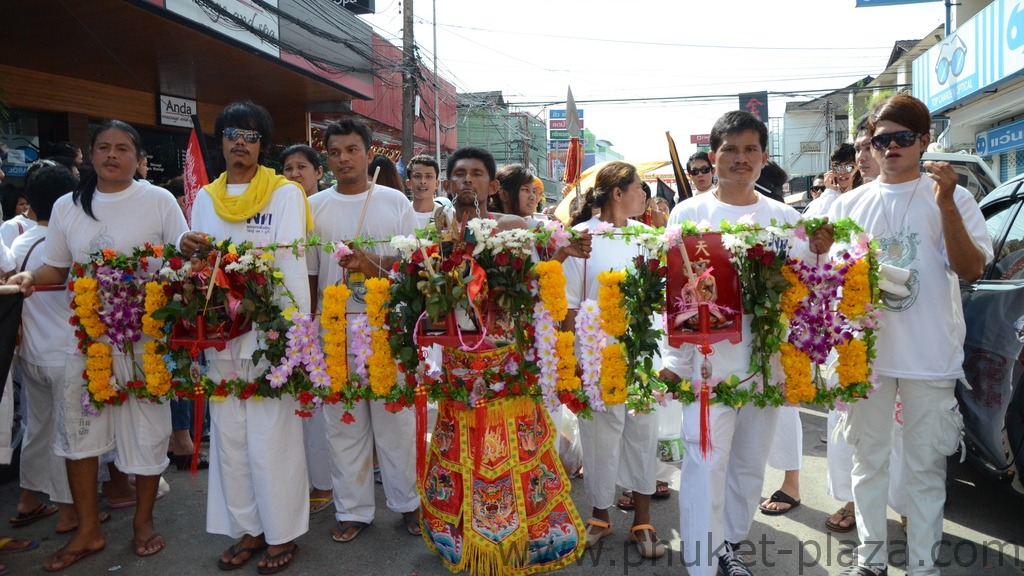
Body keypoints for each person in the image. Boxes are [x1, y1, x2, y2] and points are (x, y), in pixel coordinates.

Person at [7, 119, 188, 571]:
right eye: (104, 147)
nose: (112, 155)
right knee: (79, 436)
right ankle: (88, 530)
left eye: (122, 148)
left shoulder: (159, 200)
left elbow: (181, 259)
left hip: (145, 342)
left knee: (148, 432)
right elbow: (57, 268)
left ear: (137, 156)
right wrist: (31, 276)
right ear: (90, 154)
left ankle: (142, 522)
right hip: (88, 342)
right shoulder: (70, 206)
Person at [660, 110, 832, 576]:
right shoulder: (689, 213)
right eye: (730, 149)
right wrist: (676, 360)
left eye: (750, 149)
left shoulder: (783, 218)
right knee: (704, 463)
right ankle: (700, 560)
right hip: (708, 365)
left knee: (749, 465)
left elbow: (808, 285)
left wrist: (819, 250)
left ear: (763, 157)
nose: (741, 158)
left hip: (767, 364)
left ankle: (729, 546)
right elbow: (675, 293)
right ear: (713, 157)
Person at [829, 94, 991, 576]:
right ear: (870, 144)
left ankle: (923, 566)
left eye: (903, 138)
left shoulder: (954, 197)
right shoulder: (850, 203)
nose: (892, 147)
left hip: (929, 356)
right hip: (869, 358)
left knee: (924, 472)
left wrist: (945, 205)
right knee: (868, 464)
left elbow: (971, 267)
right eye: (882, 139)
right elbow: (831, 283)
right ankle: (870, 560)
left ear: (924, 142)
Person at [418, 146, 587, 575]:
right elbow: (413, 282)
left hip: (505, 360)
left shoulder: (512, 226)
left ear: (493, 186)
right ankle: (464, 540)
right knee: (461, 446)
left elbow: (540, 272)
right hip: (458, 360)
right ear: (447, 182)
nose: (467, 181)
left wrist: (568, 250)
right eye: (459, 174)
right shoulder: (435, 231)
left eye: (477, 174)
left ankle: (525, 538)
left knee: (513, 447)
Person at [179, 101, 312, 574]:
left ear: (262, 144)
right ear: (221, 141)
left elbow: (293, 266)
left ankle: (281, 533)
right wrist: (186, 247)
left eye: (251, 135)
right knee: (230, 436)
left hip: (269, 333)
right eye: (233, 133)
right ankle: (248, 530)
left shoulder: (286, 194)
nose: (241, 141)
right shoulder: (204, 199)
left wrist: (297, 340)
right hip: (219, 335)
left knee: (271, 434)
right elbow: (199, 272)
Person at [305, 118, 421, 544]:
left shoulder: (393, 201)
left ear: (370, 154)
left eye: (352, 150)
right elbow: (312, 275)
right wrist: (312, 330)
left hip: (385, 326)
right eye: (334, 152)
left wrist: (372, 263)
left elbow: (410, 267)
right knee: (343, 421)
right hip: (334, 329)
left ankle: (408, 503)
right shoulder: (315, 207)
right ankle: (352, 508)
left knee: (395, 422)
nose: (343, 159)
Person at [562, 161, 666, 559]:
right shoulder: (582, 238)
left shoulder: (647, 238)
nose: (645, 195)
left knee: (642, 434)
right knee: (600, 438)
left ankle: (642, 521)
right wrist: (571, 357)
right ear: (618, 193)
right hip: (595, 355)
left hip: (641, 355)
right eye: (640, 188)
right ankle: (600, 517)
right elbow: (569, 305)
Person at [9, 164, 77, 533]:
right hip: (64, 353)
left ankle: (29, 498)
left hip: (30, 354)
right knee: (67, 437)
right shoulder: (66, 242)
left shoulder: (19, 242)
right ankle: (69, 513)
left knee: (37, 428)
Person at [406, 154, 442, 229]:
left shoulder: (447, 215)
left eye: (428, 176)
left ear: (437, 183)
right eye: (417, 176)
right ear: (409, 183)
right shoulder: (402, 215)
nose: (423, 181)